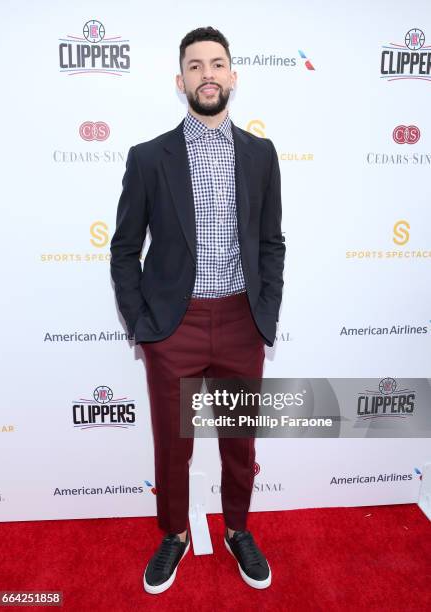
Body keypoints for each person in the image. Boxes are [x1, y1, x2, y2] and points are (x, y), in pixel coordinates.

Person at [110, 26, 285, 594]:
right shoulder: (148, 158)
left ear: (233, 76)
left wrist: (266, 313)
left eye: (217, 64)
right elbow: (124, 249)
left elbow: (271, 244)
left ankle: (237, 529)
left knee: (239, 440)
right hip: (173, 326)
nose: (207, 74)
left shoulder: (260, 154)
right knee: (172, 445)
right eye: (195, 65)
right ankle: (174, 534)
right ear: (180, 80)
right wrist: (145, 326)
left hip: (240, 320)